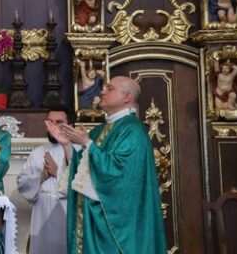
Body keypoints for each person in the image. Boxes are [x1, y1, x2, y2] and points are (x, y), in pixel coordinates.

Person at [59, 76, 167, 254]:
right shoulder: (99, 130)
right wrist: (67, 145)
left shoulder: (134, 131)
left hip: (114, 227)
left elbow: (120, 176)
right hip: (93, 223)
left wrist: (87, 144)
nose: (102, 91)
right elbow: (81, 170)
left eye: (109, 88)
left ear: (126, 97)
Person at [17, 107, 73, 254]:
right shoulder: (38, 152)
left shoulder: (78, 150)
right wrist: (41, 177)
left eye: (59, 122)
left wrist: (57, 172)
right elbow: (22, 184)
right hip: (41, 211)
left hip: (67, 210)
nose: (53, 126)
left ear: (70, 125)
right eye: (50, 122)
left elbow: (83, 183)